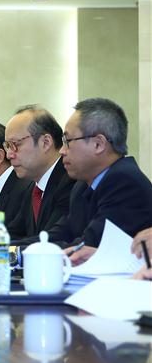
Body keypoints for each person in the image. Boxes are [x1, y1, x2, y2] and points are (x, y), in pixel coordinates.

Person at [47, 98, 152, 263]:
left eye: (67, 142)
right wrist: (12, 250)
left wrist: (30, 255)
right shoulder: (82, 186)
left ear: (98, 144)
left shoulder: (125, 182)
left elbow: (88, 246)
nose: (61, 151)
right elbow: (56, 236)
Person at [4, 105, 74, 245]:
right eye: (7, 146)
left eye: (15, 145)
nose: (9, 155)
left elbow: (53, 238)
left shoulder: (70, 180)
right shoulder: (32, 187)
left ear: (46, 142)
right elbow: (13, 233)